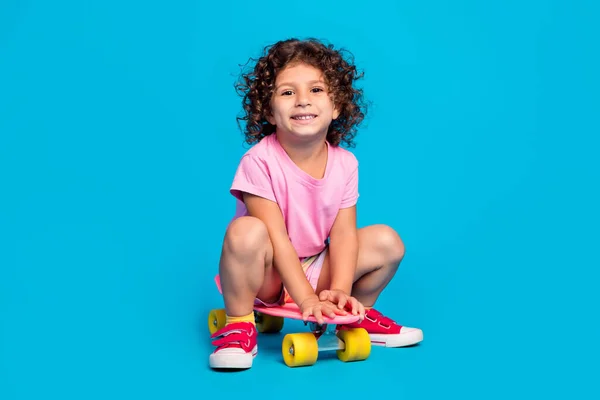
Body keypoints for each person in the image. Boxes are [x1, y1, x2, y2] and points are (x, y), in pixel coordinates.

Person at [209, 38, 423, 369]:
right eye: (287, 92)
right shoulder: (259, 161)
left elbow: (343, 236)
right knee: (245, 231)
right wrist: (305, 299)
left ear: (337, 106)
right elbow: (277, 238)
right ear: (269, 110)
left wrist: (338, 290)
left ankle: (354, 313)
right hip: (268, 276)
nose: (303, 101)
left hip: (314, 268)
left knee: (387, 241)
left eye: (316, 90)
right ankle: (238, 324)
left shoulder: (346, 164)